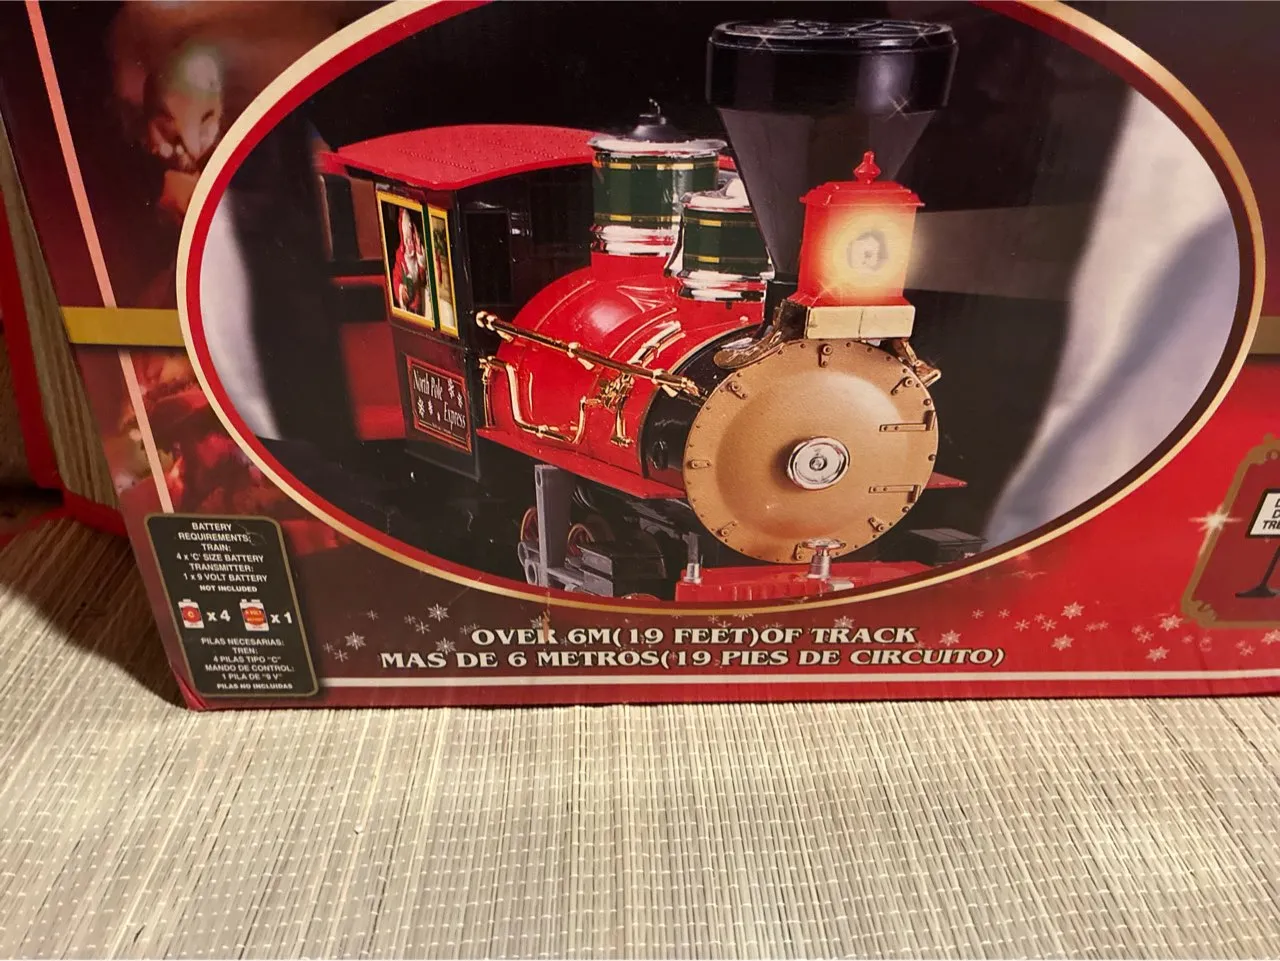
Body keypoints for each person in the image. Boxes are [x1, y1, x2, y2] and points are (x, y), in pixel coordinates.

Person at [391, 208, 428, 316]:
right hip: (411, 306)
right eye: (407, 241)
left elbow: (422, 278)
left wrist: (420, 254)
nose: (410, 244)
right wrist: (401, 290)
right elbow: (395, 278)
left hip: (422, 301)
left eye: (412, 240)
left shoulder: (418, 255)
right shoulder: (400, 258)